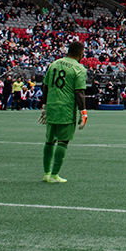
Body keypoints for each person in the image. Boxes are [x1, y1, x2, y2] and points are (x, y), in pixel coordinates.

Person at [40, 40, 88, 184]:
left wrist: (44, 106)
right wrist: (83, 112)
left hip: (52, 106)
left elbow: (45, 86)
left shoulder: (54, 64)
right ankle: (55, 174)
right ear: (81, 53)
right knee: (63, 141)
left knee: (49, 141)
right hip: (66, 108)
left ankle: (46, 173)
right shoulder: (79, 68)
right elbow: (79, 92)